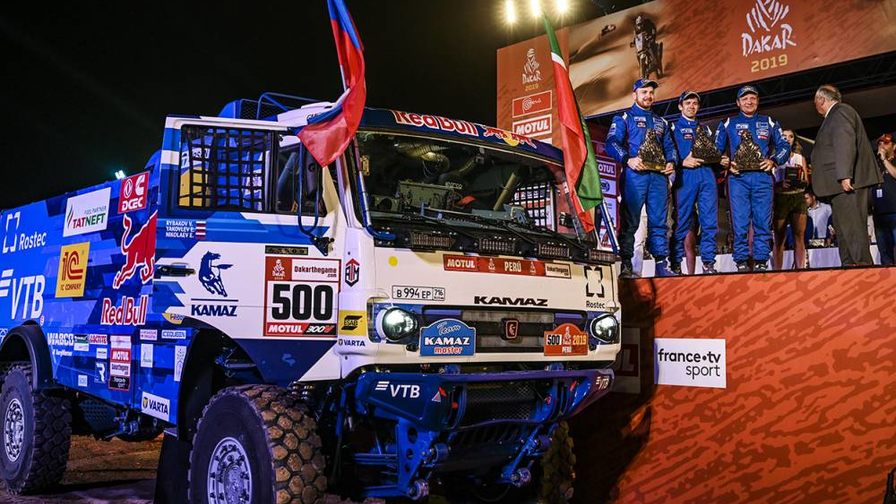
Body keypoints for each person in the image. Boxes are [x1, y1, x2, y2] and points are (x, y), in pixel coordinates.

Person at [715, 85, 791, 272]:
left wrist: (774, 160)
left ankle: (761, 260)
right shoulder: (728, 123)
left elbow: (784, 146)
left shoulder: (769, 122)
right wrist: (724, 162)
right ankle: (741, 260)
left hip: (762, 178)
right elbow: (716, 151)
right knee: (739, 222)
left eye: (753, 98)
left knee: (762, 221)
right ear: (738, 102)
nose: (749, 102)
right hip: (737, 179)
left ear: (758, 101)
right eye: (745, 99)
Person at [606, 78, 677, 278]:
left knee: (659, 223)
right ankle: (626, 264)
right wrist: (627, 159)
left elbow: (670, 147)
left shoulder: (661, 122)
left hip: (658, 178)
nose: (648, 96)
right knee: (630, 222)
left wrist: (671, 161)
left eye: (651, 92)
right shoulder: (624, 117)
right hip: (634, 176)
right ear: (634, 95)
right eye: (644, 92)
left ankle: (661, 265)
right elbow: (611, 143)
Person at [811, 84, 882, 266]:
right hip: (839, 185)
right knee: (843, 229)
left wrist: (845, 175)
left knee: (853, 228)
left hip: (847, 182)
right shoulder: (835, 115)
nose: (815, 105)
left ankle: (863, 268)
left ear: (821, 99)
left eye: (815, 101)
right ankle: (850, 267)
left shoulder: (840, 112)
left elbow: (845, 142)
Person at [669, 91, 718, 274]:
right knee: (682, 220)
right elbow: (667, 151)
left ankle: (708, 262)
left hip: (706, 174)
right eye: (688, 103)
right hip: (685, 176)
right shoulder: (672, 128)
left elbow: (715, 151)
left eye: (695, 103)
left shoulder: (705, 129)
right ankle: (675, 263)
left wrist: (720, 159)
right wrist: (681, 162)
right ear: (680, 106)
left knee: (709, 221)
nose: (691, 106)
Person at [772, 129, 809, 269]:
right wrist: (780, 183)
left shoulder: (800, 158)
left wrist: (800, 179)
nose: (787, 139)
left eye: (791, 136)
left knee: (799, 236)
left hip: (798, 197)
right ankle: (777, 271)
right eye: (784, 136)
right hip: (781, 198)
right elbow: (768, 183)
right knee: (779, 238)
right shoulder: (773, 159)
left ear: (794, 140)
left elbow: (806, 182)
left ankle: (800, 269)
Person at [873, 132, 896, 265]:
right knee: (884, 251)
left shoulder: (890, 161)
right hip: (879, 213)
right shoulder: (875, 164)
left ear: (894, 146)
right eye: (880, 143)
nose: (882, 146)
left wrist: (884, 160)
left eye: (886, 143)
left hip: (894, 211)